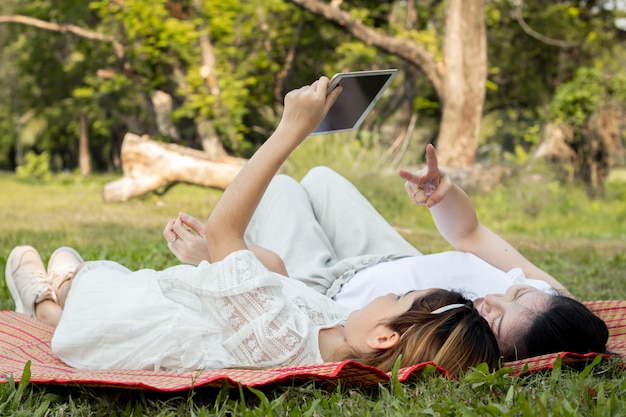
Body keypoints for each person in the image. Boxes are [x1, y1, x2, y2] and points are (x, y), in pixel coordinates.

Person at [4, 77, 500, 377]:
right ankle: (67, 287)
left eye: (395, 300)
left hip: (128, 326)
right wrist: (217, 259)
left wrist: (291, 130)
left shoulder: (283, 343)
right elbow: (277, 273)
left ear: (385, 339)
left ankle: (49, 308)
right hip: (182, 297)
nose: (382, 297)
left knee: (76, 281)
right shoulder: (334, 327)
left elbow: (226, 230)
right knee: (76, 266)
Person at [163, 145, 609, 362]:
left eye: (495, 319)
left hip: (328, 292)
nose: (493, 299)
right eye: (518, 294)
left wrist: (219, 258)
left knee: (280, 189)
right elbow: (470, 234)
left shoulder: (462, 343)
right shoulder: (546, 301)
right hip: (386, 257)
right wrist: (443, 195)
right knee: (320, 176)